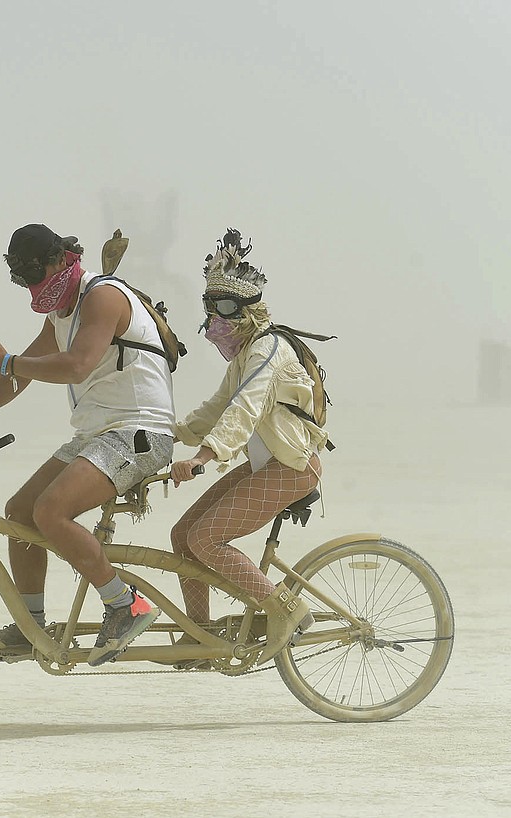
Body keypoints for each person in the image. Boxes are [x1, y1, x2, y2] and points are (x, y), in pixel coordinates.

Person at [0, 223, 175, 666]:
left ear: (61, 260)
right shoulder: (61, 315)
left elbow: (76, 365)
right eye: (24, 281)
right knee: (20, 512)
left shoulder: (103, 297)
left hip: (138, 432)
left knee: (50, 511)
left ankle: (125, 604)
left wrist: (6, 361)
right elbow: (20, 374)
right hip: (98, 435)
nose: (34, 288)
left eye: (36, 276)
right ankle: (31, 626)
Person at [168, 228, 327, 663]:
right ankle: (198, 634)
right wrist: (166, 436)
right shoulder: (244, 354)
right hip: (265, 464)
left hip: (291, 467)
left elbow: (244, 408)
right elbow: (216, 408)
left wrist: (203, 457)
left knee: (206, 538)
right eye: (208, 306)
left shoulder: (267, 350)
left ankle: (287, 609)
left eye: (224, 307)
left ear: (248, 309)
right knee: (182, 535)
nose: (214, 318)